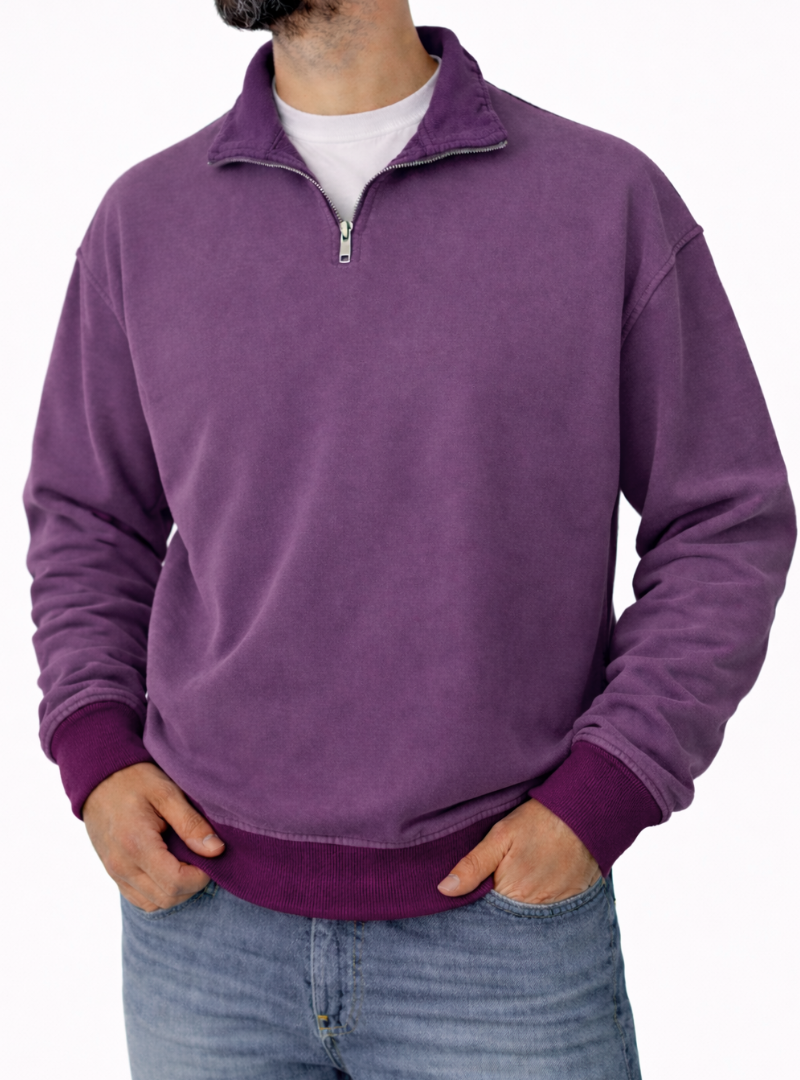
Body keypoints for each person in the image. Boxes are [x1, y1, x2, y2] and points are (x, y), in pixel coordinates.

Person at [22, 1, 795, 1077]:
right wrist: (97, 756)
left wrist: (609, 786)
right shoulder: (143, 219)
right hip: (200, 928)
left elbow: (724, 520)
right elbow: (88, 516)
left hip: (502, 935)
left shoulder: (601, 201)